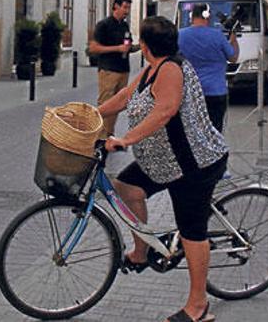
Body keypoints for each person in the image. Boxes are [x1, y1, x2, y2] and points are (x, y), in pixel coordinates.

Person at [99, 16, 228, 322]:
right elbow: (123, 96)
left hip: (194, 163)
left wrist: (125, 139)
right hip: (163, 161)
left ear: (144, 46)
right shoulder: (152, 68)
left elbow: (166, 109)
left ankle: (199, 306)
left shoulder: (171, 69)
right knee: (127, 188)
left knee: (191, 230)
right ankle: (141, 252)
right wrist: (90, 114)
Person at [178, 3, 239, 133]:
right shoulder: (217, 36)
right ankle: (214, 153)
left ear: (191, 17)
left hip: (191, 92)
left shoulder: (180, 36)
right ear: (207, 16)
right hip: (216, 92)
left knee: (192, 132)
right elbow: (233, 57)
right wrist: (233, 38)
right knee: (214, 132)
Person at [88, 0, 136, 137]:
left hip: (123, 69)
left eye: (128, 8)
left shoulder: (125, 25)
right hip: (108, 69)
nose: (127, 11)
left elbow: (127, 44)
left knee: (117, 104)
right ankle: (99, 137)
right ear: (116, 6)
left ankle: (109, 134)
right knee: (105, 104)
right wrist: (117, 48)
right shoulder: (104, 25)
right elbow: (94, 48)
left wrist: (137, 47)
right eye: (125, 7)